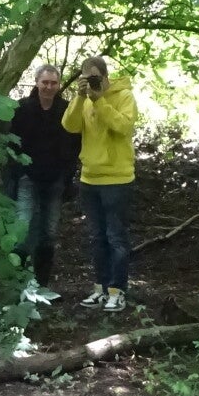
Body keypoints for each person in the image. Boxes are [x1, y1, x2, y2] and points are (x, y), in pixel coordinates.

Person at [61, 55, 137, 312]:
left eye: (95, 78)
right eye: (86, 78)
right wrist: (80, 97)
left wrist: (99, 101)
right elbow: (69, 126)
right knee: (96, 237)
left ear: (105, 77)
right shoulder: (83, 99)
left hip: (117, 178)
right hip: (90, 178)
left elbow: (123, 126)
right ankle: (101, 288)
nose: (92, 82)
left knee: (116, 237)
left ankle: (117, 290)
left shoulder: (124, 96)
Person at [0, 65, 80, 302]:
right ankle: (19, 285)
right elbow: (11, 143)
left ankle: (42, 286)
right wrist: (16, 172)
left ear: (58, 85)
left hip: (55, 179)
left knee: (49, 232)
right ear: (36, 82)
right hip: (27, 177)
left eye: (53, 83)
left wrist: (67, 175)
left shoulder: (66, 110)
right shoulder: (22, 109)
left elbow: (74, 145)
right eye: (45, 82)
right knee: (22, 229)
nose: (49, 87)